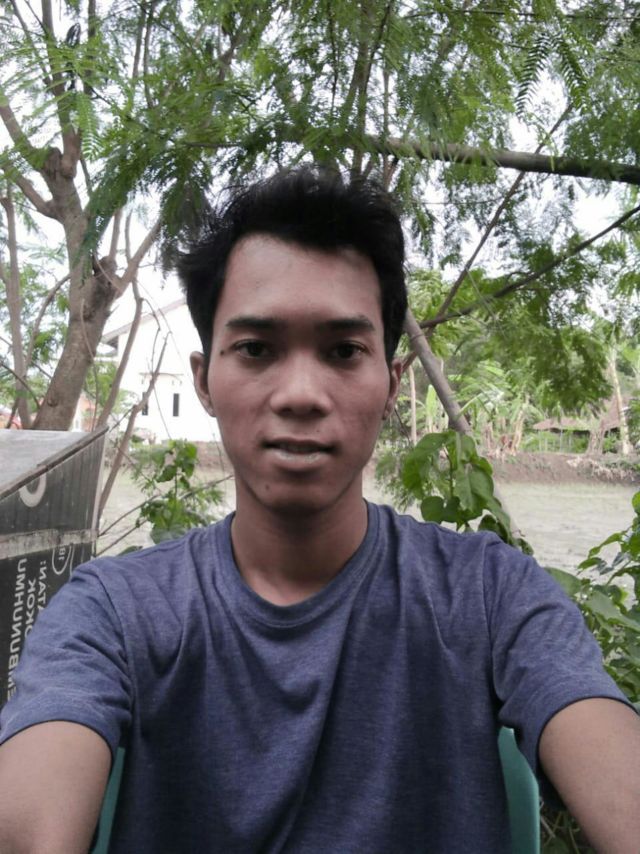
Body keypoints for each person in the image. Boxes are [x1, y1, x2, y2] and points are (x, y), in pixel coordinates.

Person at [0, 168, 638, 854]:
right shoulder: (112, 613)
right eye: (256, 349)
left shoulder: (491, 595)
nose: (300, 393)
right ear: (205, 381)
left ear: (391, 384)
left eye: (343, 351)